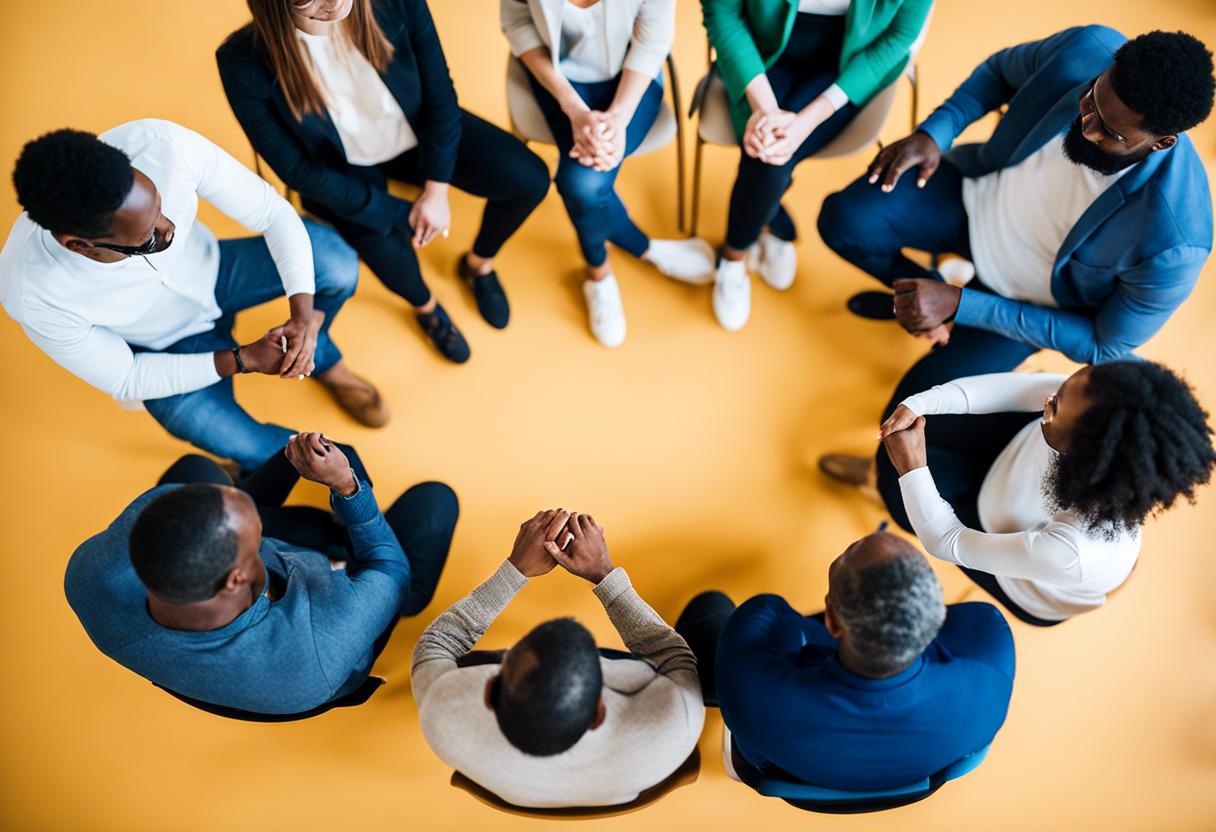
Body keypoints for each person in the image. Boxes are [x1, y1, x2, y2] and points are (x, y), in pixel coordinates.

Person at [817, 27, 1214, 406]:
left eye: (1112, 134)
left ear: (1162, 143)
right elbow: (997, 73)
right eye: (1091, 100)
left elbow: (1103, 343)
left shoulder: (1177, 242)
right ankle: (920, 304)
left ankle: (938, 311)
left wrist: (963, 304)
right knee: (844, 220)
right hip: (974, 198)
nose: (1087, 127)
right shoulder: (1085, 47)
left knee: (917, 405)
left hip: (1028, 300)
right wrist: (934, 133)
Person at [1, 120, 386, 474]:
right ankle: (293, 461)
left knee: (335, 262)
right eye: (148, 238)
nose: (169, 230)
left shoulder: (160, 144)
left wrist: (302, 318)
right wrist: (243, 359)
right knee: (229, 438)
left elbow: (272, 213)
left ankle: (320, 351)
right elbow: (127, 377)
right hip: (166, 344)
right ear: (80, 245)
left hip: (219, 270)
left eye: (160, 207)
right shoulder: (30, 292)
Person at [218, 0, 551, 364]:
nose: (332, 2)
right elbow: (299, 171)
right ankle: (426, 307)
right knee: (382, 244)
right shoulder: (240, 63)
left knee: (529, 178)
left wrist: (436, 189)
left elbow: (440, 97)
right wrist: (395, 211)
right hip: (340, 166)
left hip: (415, 131)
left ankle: (477, 265)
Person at [65, 432, 458, 716]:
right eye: (256, 532)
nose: (259, 521)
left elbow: (227, 505)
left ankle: (283, 511)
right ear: (235, 578)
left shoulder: (90, 575)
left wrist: (289, 460)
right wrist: (346, 488)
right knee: (434, 504)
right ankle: (396, 595)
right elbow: (390, 568)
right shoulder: (312, 647)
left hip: (269, 616)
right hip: (331, 629)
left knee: (195, 469)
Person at [822, 362, 1216, 626]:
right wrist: (919, 404)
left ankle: (883, 483)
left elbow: (948, 541)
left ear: (1085, 457)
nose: (1048, 396)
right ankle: (894, 476)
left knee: (900, 495)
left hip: (1024, 564)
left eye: (1055, 406)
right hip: (1014, 471)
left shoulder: (1070, 551)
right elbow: (1014, 389)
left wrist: (911, 469)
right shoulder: (1101, 400)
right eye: (1064, 385)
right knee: (939, 444)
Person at [675, 531, 1013, 793]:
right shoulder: (989, 681)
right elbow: (973, 617)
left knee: (711, 608)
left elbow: (770, 610)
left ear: (834, 622)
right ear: (934, 615)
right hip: (907, 770)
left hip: (772, 749)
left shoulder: (751, 693)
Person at [412, 509, 704, 808]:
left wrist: (514, 571)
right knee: (706, 607)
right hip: (634, 759)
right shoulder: (674, 724)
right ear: (599, 712)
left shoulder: (441, 717)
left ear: (489, 689)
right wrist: (603, 574)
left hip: (512, 788)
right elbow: (671, 655)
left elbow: (438, 642)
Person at [702, 0, 932, 331]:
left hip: (850, 66)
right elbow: (723, 13)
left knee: (770, 160)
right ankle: (750, 240)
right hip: (760, 49)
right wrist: (766, 110)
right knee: (769, 156)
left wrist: (808, 120)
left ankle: (743, 244)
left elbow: (899, 37)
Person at [501, 0, 716, 347]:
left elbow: (651, 43)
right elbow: (517, 24)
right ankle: (638, 253)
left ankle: (598, 271)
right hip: (556, 80)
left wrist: (618, 118)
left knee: (580, 183)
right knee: (581, 184)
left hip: (632, 79)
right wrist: (572, 107)